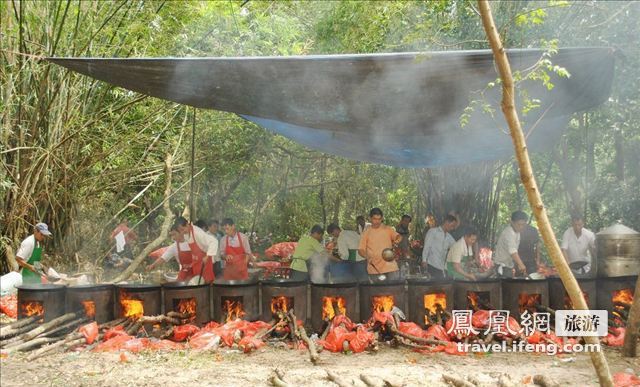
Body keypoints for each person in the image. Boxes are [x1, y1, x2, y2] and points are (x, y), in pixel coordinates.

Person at [358, 208, 402, 282]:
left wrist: (398, 239)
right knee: (378, 292)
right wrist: (367, 257)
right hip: (374, 268)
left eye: (379, 219)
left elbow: (398, 236)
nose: (377, 222)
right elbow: (360, 250)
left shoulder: (388, 229)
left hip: (390, 267)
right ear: (370, 218)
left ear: (382, 218)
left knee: (394, 290)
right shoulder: (366, 233)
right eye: (375, 219)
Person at [173, 216, 218, 283]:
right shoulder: (186, 234)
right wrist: (190, 264)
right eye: (180, 231)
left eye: (183, 229)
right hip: (196, 264)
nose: (182, 232)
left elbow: (214, 241)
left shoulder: (197, 232)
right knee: (197, 285)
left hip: (205, 265)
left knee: (207, 285)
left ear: (187, 224)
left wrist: (207, 256)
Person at [421, 215, 457, 280]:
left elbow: (456, 248)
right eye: (452, 225)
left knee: (440, 286)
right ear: (446, 222)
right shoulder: (433, 231)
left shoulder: (449, 237)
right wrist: (424, 260)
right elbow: (427, 246)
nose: (453, 228)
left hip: (441, 267)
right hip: (431, 265)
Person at [494, 211, 529, 278]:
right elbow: (513, 251)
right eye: (519, 224)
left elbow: (514, 251)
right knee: (505, 286)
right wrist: (521, 264)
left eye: (523, 224)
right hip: (502, 266)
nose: (521, 227)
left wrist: (517, 264)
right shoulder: (509, 233)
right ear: (512, 222)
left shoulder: (517, 232)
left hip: (508, 265)